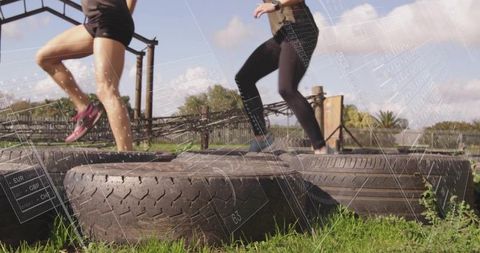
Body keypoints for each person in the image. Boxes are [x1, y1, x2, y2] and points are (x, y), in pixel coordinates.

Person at [36, 0, 137, 151]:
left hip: (109, 18)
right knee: (45, 58)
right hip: (96, 19)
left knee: (107, 90)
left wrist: (121, 18)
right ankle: (85, 108)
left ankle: (127, 154)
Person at [235, 0, 327, 154]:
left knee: (287, 88)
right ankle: (261, 137)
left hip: (301, 29)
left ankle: (321, 147)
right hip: (282, 35)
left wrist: (276, 4)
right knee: (244, 78)